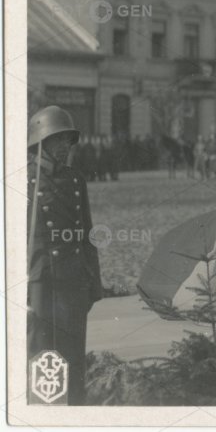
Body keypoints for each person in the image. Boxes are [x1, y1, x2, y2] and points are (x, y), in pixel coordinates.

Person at [26, 106, 103, 405]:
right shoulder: (24, 181)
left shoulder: (75, 179)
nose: (65, 147)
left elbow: (87, 233)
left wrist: (93, 282)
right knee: (44, 355)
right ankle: (45, 415)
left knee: (73, 356)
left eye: (68, 141)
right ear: (41, 141)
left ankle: (74, 411)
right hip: (42, 282)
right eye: (58, 139)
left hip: (73, 281)